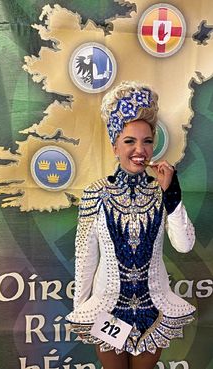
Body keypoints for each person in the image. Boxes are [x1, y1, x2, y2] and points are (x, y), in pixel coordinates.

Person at [66, 81, 196, 369]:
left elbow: (184, 246)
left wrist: (171, 194)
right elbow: (86, 258)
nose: (140, 149)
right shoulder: (95, 194)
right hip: (105, 312)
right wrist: (81, 311)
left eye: (147, 141)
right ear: (115, 146)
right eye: (129, 141)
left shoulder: (161, 191)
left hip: (154, 310)